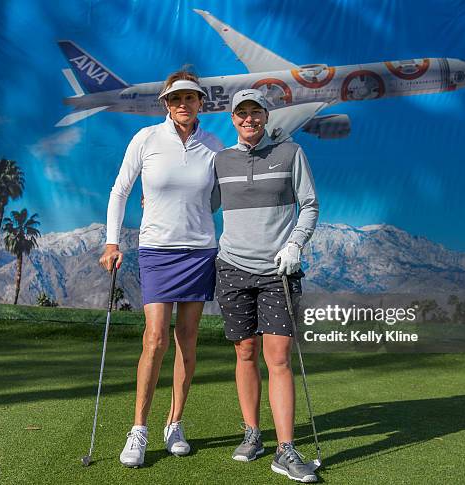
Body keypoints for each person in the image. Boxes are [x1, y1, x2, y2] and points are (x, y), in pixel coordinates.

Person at [98, 71, 223, 468]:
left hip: (199, 251)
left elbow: (216, 200)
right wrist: (112, 241)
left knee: (187, 338)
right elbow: (120, 191)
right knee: (155, 339)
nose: (183, 104)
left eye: (190, 97)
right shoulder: (146, 139)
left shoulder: (215, 147)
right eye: (175, 99)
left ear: (201, 102)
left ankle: (175, 423)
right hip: (156, 250)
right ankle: (139, 429)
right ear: (166, 104)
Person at [214, 89, 319, 483]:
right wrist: (155, 200)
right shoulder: (220, 160)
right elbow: (199, 202)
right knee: (244, 353)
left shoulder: (291, 153)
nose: (248, 119)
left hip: (278, 271)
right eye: (241, 113)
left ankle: (286, 449)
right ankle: (253, 434)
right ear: (232, 118)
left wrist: (294, 244)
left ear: (265, 115)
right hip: (233, 268)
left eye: (254, 112)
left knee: (278, 358)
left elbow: (309, 205)